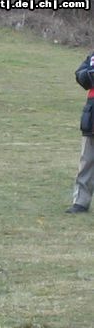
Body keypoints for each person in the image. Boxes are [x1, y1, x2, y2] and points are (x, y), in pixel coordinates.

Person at [66, 51, 94, 213]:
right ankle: (81, 202)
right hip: (92, 116)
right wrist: (89, 75)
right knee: (86, 161)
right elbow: (80, 75)